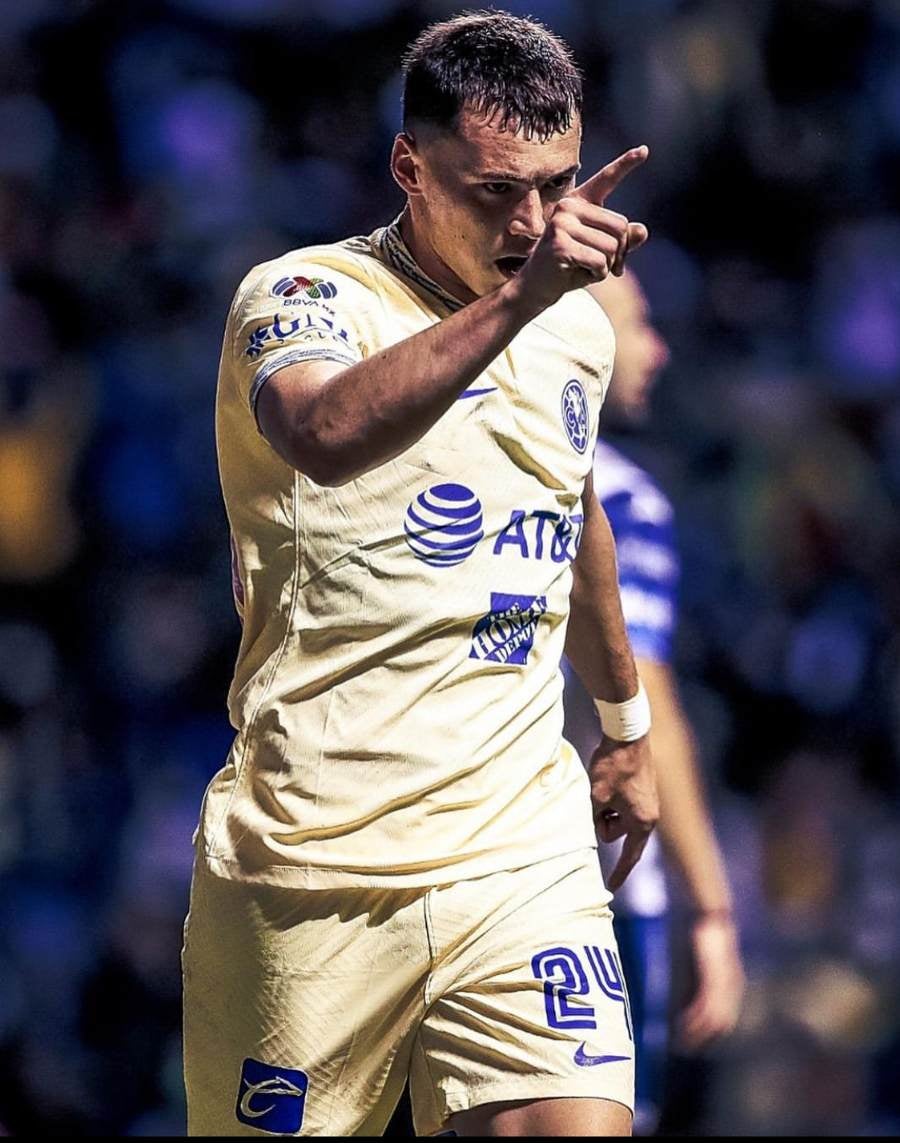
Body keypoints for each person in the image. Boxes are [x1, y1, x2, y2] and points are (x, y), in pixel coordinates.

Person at [182, 10, 660, 1138]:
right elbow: (325, 433)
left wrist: (625, 723)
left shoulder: (572, 327)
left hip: (517, 845)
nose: (534, 222)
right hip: (313, 864)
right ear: (409, 166)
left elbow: (570, 502)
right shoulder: (300, 298)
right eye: (496, 190)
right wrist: (520, 300)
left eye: (557, 184)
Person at [563, 269, 746, 1133]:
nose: (658, 349)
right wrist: (710, 901)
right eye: (636, 325)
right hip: (585, 894)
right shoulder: (620, 497)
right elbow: (643, 703)